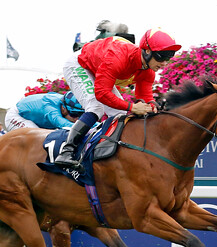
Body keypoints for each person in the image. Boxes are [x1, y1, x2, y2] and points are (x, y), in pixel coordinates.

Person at [55, 29, 181, 169]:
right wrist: (132, 107)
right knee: (96, 107)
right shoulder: (118, 57)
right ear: (146, 51)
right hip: (80, 64)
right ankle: (66, 151)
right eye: (160, 57)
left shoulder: (148, 71)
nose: (163, 63)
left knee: (119, 115)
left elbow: (144, 97)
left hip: (99, 66)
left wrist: (150, 105)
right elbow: (102, 93)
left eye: (167, 58)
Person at [4, 91, 83, 132]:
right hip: (17, 116)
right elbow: (62, 123)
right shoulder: (50, 108)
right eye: (74, 114)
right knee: (36, 137)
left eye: (80, 114)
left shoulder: (64, 103)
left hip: (33, 118)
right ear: (63, 109)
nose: (77, 118)